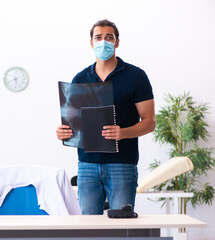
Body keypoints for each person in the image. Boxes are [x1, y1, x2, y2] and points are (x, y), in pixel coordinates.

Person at [56, 19, 156, 215]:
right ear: (91, 43)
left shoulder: (136, 76)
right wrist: (64, 132)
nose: (103, 41)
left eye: (109, 37)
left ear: (117, 42)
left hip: (122, 165)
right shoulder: (80, 78)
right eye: (98, 37)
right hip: (87, 166)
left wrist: (123, 132)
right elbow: (75, 122)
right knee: (88, 227)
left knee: (121, 226)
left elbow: (149, 122)